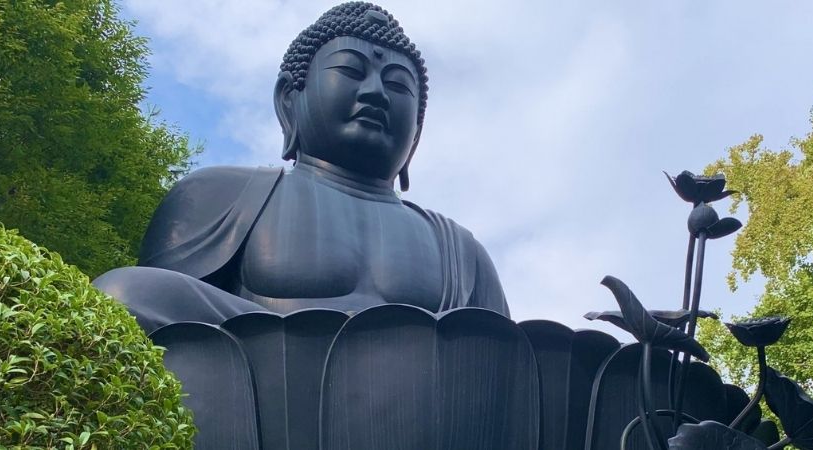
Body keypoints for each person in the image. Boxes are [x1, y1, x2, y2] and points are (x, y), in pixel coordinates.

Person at [95, 2, 508, 335]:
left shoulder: (461, 250)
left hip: (427, 404)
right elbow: (154, 311)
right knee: (125, 290)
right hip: (262, 385)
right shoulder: (223, 193)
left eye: (398, 85)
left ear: (416, 132)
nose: (376, 92)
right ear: (288, 100)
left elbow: (508, 361)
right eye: (350, 70)